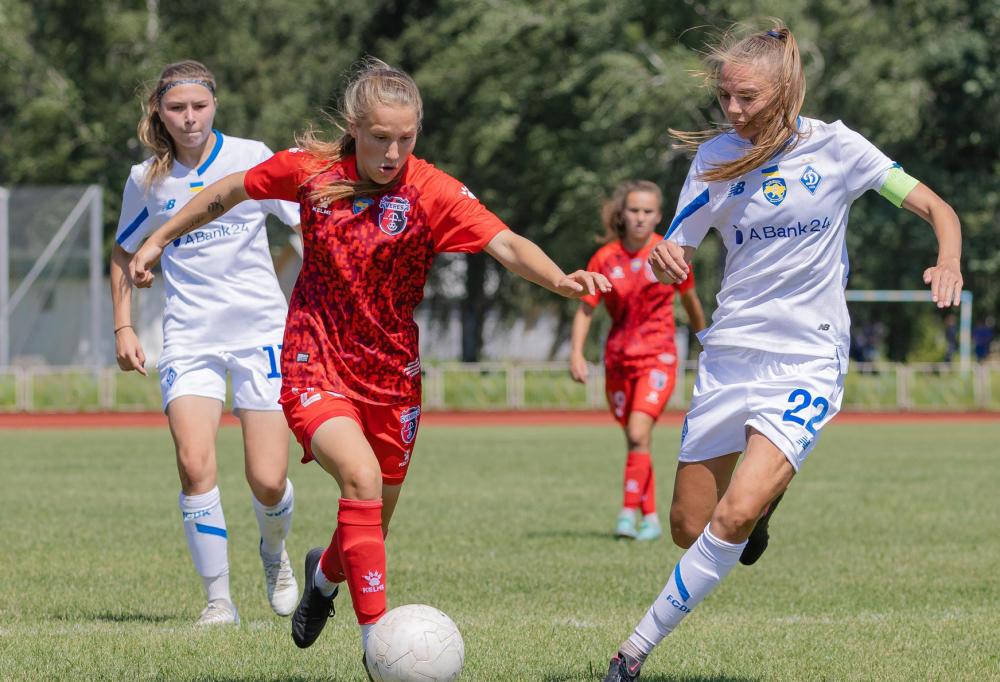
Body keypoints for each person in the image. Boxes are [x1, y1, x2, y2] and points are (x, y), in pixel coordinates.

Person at [126, 58, 611, 667]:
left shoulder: (432, 191)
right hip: (315, 360)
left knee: (373, 519)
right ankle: (377, 648)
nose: (393, 152)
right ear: (354, 128)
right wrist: (158, 238)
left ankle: (323, 578)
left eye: (406, 138)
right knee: (359, 479)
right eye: (381, 137)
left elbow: (506, 243)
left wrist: (560, 280)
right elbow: (227, 191)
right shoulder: (312, 172)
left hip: (392, 374)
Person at [603, 22, 962, 681]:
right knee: (688, 525)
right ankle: (762, 507)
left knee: (734, 513)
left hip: (807, 358)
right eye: (725, 98)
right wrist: (666, 258)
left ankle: (631, 654)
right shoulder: (715, 157)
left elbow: (938, 207)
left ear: (786, 90)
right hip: (730, 354)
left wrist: (949, 259)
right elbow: (675, 248)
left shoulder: (838, 148)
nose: (733, 110)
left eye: (747, 97)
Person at [110, 60, 302, 626]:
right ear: (160, 113)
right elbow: (124, 250)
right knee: (194, 465)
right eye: (177, 108)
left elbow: (303, 221)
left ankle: (274, 553)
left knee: (268, 479)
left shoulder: (250, 155)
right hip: (189, 336)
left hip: (262, 331)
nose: (190, 118)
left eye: (199, 106)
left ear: (215, 104)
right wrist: (123, 326)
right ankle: (218, 601)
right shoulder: (146, 179)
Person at [570, 180, 706, 542]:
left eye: (648, 211)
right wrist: (576, 353)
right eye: (634, 210)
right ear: (623, 214)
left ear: (659, 216)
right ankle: (651, 518)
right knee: (638, 442)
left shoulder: (670, 253)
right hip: (618, 361)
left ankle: (627, 514)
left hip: (658, 357)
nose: (640, 217)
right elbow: (586, 308)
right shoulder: (605, 258)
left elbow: (690, 300)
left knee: (636, 433)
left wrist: (706, 341)